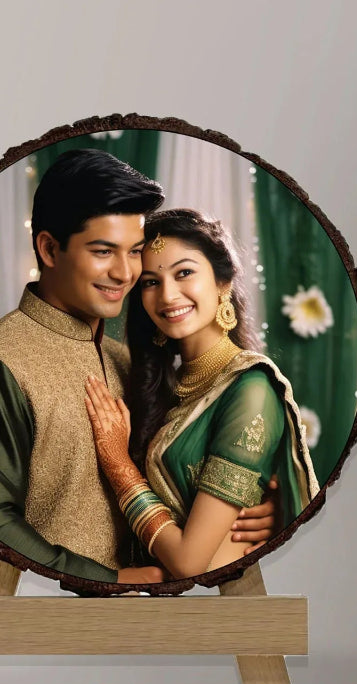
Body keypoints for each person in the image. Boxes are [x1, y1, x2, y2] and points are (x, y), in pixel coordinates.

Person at [0, 151, 274, 586]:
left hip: (156, 620)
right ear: (49, 248)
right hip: (41, 620)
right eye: (103, 251)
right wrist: (110, 579)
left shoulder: (127, 360)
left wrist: (254, 511)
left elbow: (184, 478)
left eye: (134, 252)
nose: (124, 272)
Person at [85, 208, 319, 579]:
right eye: (149, 282)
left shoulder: (251, 390)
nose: (167, 295)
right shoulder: (169, 385)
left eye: (184, 273)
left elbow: (188, 562)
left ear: (223, 282)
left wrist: (118, 465)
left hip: (216, 610)